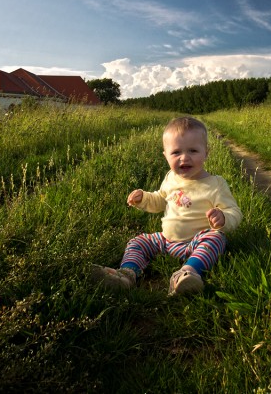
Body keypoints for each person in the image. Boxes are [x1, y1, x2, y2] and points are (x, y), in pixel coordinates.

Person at [91, 116, 243, 295]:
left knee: (216, 238)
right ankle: (127, 274)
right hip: (165, 240)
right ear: (165, 156)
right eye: (176, 152)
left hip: (195, 241)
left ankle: (187, 274)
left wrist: (224, 217)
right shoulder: (170, 178)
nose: (184, 158)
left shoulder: (215, 184)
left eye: (193, 151)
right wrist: (143, 199)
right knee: (138, 242)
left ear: (206, 152)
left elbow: (234, 211)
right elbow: (160, 200)